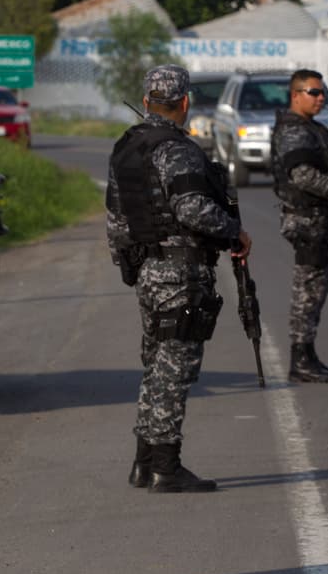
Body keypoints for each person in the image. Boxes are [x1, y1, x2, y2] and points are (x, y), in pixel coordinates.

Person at [106, 64, 252, 493]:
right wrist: (233, 230)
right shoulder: (179, 151)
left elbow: (115, 218)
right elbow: (191, 210)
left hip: (149, 271)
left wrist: (128, 264)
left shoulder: (126, 147)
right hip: (182, 272)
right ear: (185, 103)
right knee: (175, 371)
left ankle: (144, 461)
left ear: (147, 99)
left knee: (156, 366)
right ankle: (165, 468)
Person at [271, 69, 328, 383]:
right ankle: (301, 358)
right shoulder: (295, 131)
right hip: (306, 219)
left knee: (315, 289)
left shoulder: (311, 129)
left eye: (322, 93)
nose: (321, 98)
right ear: (296, 95)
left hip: (318, 219)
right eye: (314, 92)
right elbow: (302, 175)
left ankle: (307, 354)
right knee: (308, 290)